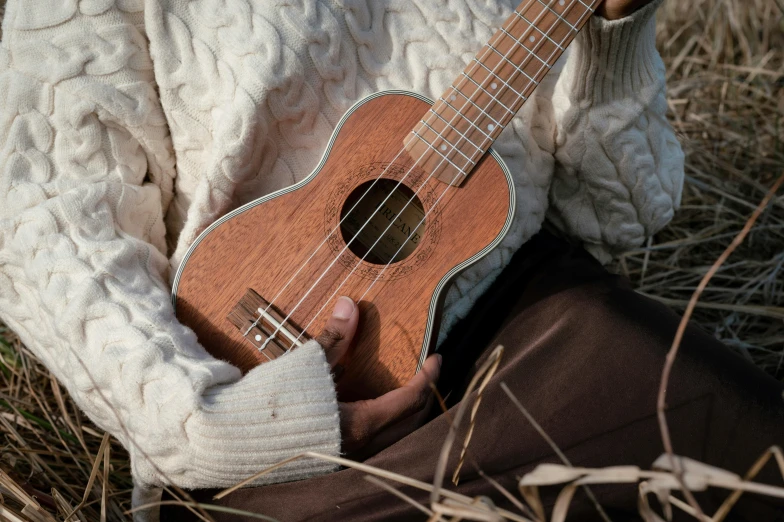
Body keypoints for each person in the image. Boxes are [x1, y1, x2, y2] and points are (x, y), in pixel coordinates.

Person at [6, 1, 777, 521]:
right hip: (259, 387)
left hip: (531, 325)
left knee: (747, 443)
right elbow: (46, 219)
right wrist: (217, 428)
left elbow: (621, 218)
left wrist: (613, 38)